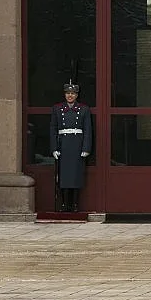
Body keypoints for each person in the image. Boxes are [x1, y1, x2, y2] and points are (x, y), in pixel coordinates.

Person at [49, 80, 92, 212]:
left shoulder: (84, 109)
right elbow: (53, 129)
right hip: (63, 145)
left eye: (73, 93)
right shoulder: (57, 109)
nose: (70, 96)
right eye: (68, 93)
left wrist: (86, 148)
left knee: (76, 176)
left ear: (77, 95)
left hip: (77, 145)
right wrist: (54, 148)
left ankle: (74, 204)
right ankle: (64, 204)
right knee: (63, 177)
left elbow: (88, 130)